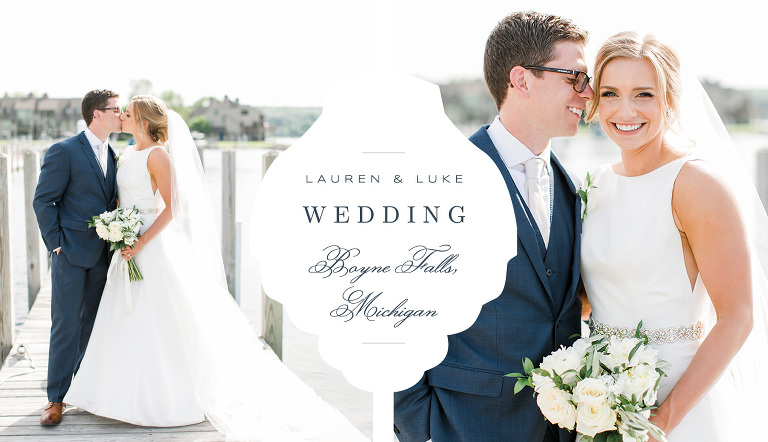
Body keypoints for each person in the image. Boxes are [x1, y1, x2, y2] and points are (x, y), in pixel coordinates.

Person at [63, 96, 368, 441]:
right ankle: (113, 393)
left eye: (128, 114)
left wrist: (142, 241)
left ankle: (165, 395)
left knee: (158, 317)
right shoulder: (127, 153)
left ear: (144, 122)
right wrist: (116, 228)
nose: (122, 118)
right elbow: (120, 197)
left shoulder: (157, 155)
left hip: (150, 246)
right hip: (126, 245)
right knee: (123, 317)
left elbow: (172, 206)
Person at [394, 11, 592, 442]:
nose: (588, 93)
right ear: (521, 80)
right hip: (465, 424)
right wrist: (421, 428)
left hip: (562, 428)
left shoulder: (571, 186)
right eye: (574, 77)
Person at [581, 32, 768, 441]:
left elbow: (738, 316)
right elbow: (590, 297)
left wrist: (662, 421)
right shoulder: (594, 184)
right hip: (603, 407)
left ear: (669, 100)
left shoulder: (696, 183)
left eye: (643, 94)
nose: (624, 109)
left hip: (681, 410)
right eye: (610, 93)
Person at [33, 89, 121, 425]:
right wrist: (56, 244)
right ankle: (55, 398)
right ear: (97, 114)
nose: (121, 114)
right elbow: (43, 201)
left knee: (92, 325)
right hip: (70, 252)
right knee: (65, 325)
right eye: (116, 109)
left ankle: (80, 388)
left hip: (102, 254)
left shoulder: (113, 154)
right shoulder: (65, 150)